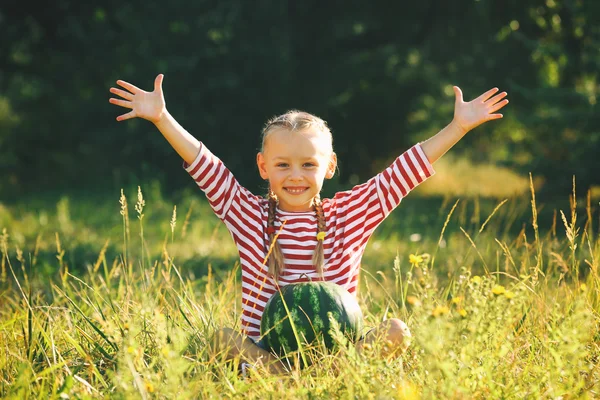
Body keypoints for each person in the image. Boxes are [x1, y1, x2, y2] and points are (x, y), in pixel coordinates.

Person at [109, 74, 508, 374]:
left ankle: (314, 382)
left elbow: (403, 171)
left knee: (396, 331)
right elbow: (206, 167)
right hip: (267, 354)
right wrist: (162, 118)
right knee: (221, 339)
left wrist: (458, 127)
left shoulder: (351, 214)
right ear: (264, 167)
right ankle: (293, 384)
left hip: (339, 352)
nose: (295, 175)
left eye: (308, 164)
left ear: (329, 167)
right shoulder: (248, 216)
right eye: (282, 164)